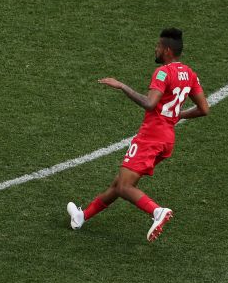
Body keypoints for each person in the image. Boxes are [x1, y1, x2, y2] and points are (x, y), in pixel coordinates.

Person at [67, 28, 210, 241]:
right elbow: (204, 109)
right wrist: (177, 116)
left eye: (159, 46)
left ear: (167, 50)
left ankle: (156, 211)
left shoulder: (163, 72)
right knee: (119, 184)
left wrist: (122, 86)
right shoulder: (190, 74)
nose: (156, 49)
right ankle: (82, 216)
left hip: (150, 137)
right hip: (167, 139)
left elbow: (150, 103)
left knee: (125, 186)